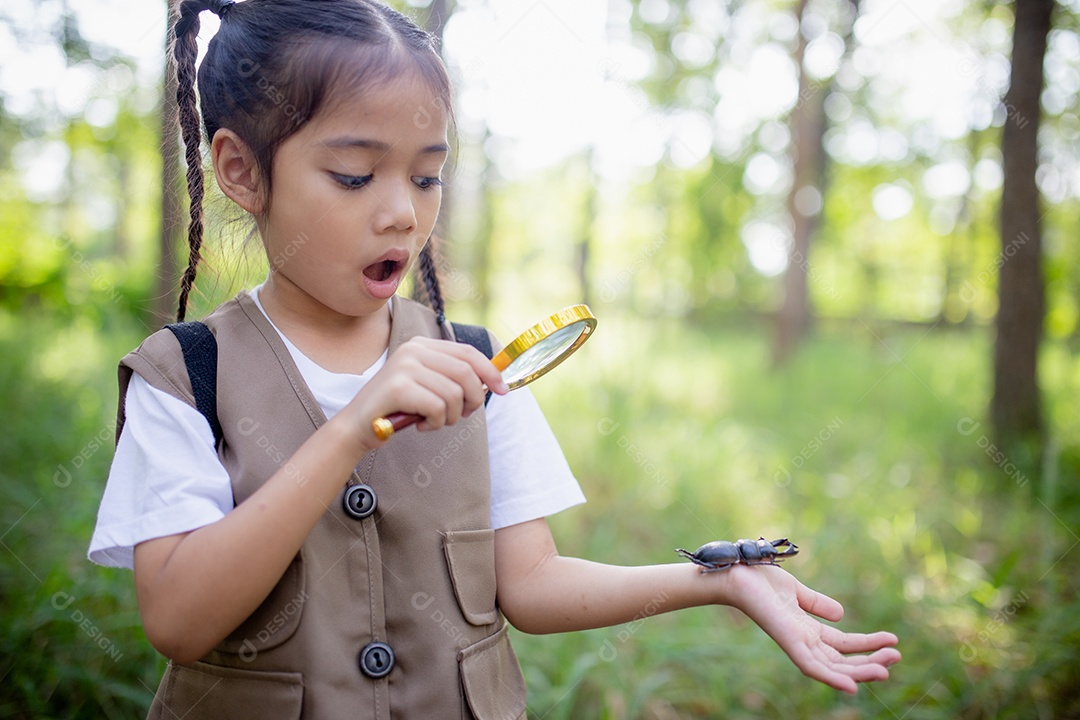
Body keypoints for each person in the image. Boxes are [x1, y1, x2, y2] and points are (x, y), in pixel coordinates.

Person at [88, 0, 901, 717]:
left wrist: (719, 579)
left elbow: (533, 584)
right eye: (354, 175)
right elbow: (179, 620)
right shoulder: (183, 376)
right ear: (241, 171)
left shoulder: (476, 365)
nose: (402, 213)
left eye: (428, 176)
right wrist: (349, 431)